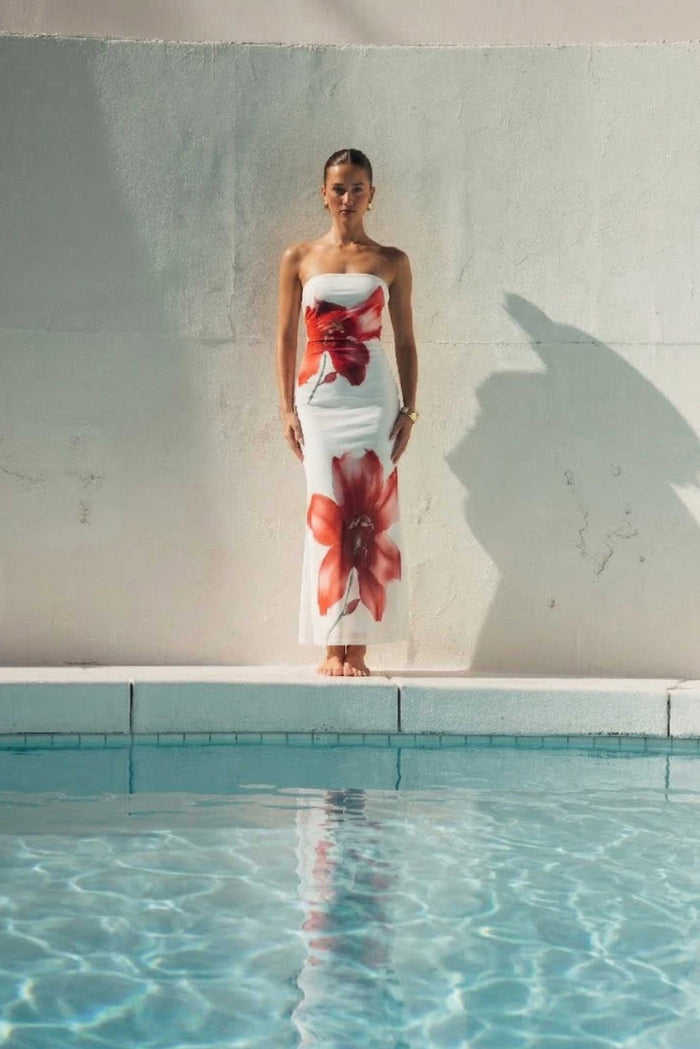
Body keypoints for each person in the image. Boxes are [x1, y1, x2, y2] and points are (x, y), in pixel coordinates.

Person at [276, 148, 418, 677]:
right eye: (339, 188)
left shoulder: (391, 261)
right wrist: (287, 408)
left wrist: (409, 407)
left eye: (358, 188)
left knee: (373, 515)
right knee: (327, 511)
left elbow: (405, 340)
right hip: (318, 402)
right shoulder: (299, 258)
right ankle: (328, 643)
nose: (347, 198)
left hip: (373, 399)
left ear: (372, 195)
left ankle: (357, 648)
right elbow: (287, 336)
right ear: (324, 194)